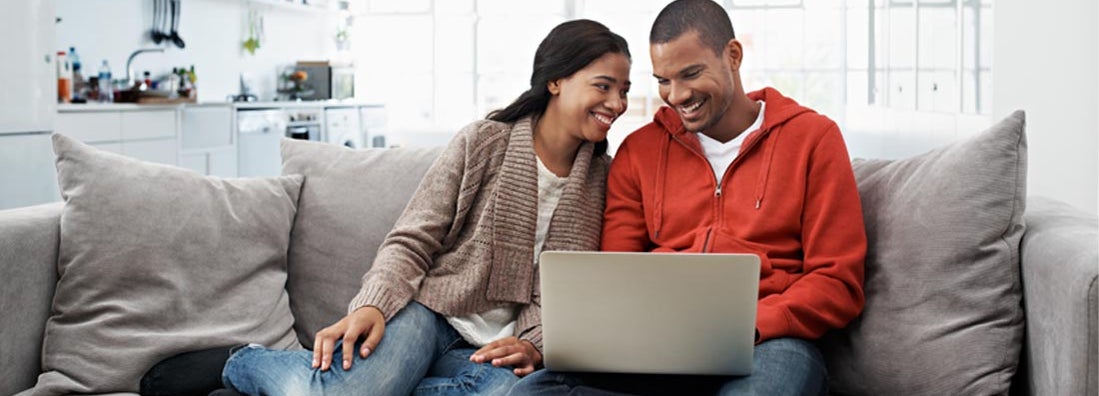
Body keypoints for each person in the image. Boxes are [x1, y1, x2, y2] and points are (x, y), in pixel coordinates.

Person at [139, 19, 631, 396]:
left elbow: (567, 286)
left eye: (624, 90)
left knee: (509, 393)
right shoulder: (485, 142)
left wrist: (536, 344)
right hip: (431, 315)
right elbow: (413, 238)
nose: (618, 102)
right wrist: (373, 303)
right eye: (604, 85)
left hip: (493, 346)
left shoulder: (602, 180)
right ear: (556, 81)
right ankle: (241, 361)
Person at [509, 1, 866, 395]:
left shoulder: (813, 140)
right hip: (655, 344)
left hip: (766, 342)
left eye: (691, 74)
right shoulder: (639, 151)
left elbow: (837, 281)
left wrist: (753, 323)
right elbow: (616, 274)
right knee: (531, 392)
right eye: (663, 80)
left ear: (733, 55)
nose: (676, 96)